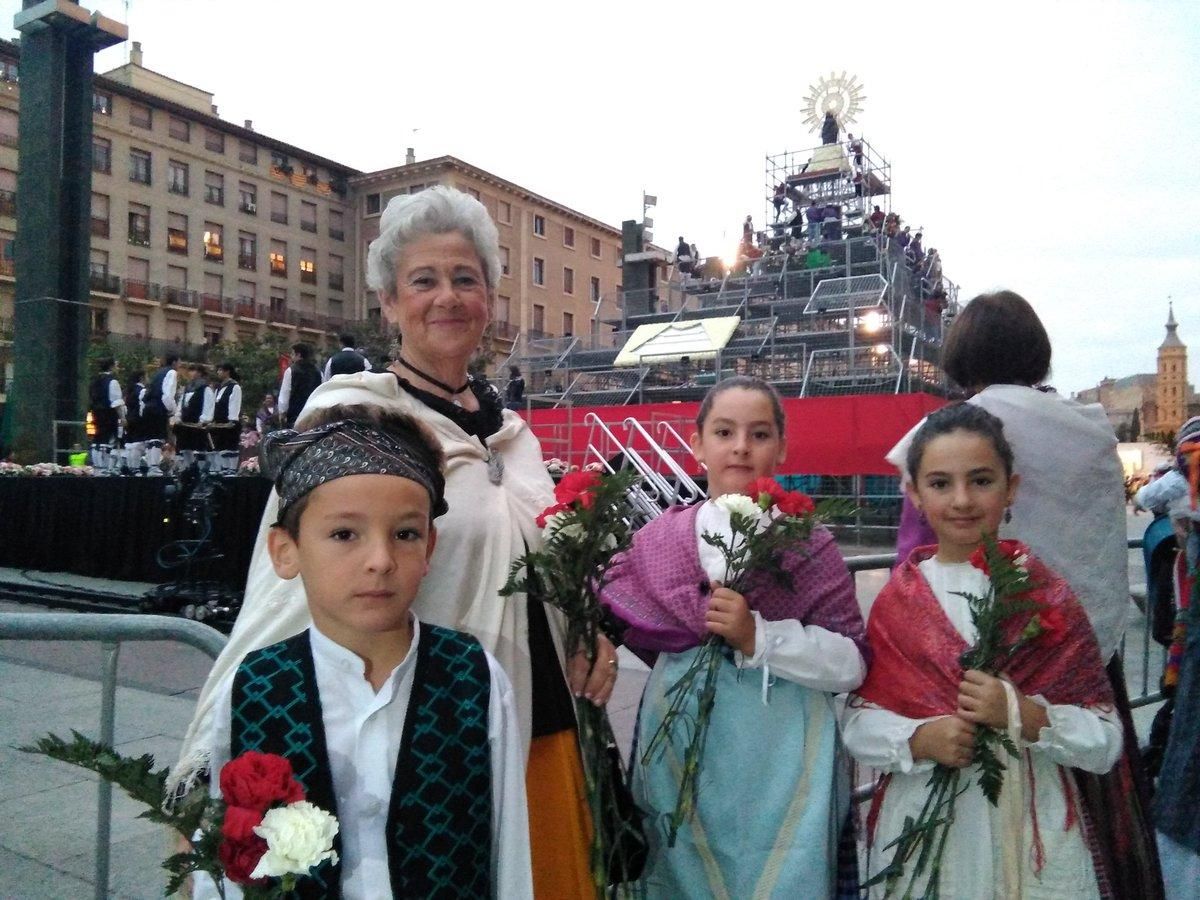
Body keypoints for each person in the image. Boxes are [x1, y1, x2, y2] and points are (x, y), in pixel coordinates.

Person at [174, 185, 616, 898]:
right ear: (387, 302)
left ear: (490, 298)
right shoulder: (354, 419)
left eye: (465, 279)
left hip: (538, 731)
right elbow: (284, 592)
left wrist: (584, 629)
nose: (448, 297)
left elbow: (536, 563)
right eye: (424, 281)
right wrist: (212, 763)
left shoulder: (517, 436)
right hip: (421, 748)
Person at [191, 405, 532, 898]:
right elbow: (221, 858)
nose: (380, 561)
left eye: (405, 534)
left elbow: (509, 849)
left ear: (429, 548)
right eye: (344, 534)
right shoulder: (254, 686)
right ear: (286, 551)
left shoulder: (473, 677)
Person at [845, 403, 1141, 898]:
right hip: (923, 826)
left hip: (1030, 825)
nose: (962, 499)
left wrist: (1028, 716)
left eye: (981, 480)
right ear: (915, 494)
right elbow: (858, 724)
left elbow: (1106, 740)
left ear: (1012, 489)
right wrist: (919, 739)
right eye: (940, 484)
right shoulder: (899, 604)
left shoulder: (1044, 594)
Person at [600, 377, 868, 897]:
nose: (741, 446)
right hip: (679, 748)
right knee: (681, 869)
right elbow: (617, 612)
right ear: (697, 444)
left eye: (759, 434)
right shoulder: (658, 540)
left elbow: (850, 664)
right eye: (725, 431)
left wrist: (758, 636)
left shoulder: (808, 543)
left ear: (783, 449)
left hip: (783, 752)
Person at [278, 342, 322, 428]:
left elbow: (285, 394)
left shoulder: (291, 371)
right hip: (312, 414)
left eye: (292, 354)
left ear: (298, 355)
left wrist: (282, 412)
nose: (291, 356)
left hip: (295, 415)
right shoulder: (318, 372)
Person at [140, 353, 179, 443]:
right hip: (158, 409)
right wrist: (173, 409)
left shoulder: (158, 372)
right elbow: (167, 395)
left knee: (150, 441)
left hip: (148, 408)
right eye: (179, 362)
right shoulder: (171, 372)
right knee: (157, 441)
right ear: (174, 362)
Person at [175, 363, 214, 452]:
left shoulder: (205, 389)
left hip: (198, 426)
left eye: (194, 371)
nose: (191, 373)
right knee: (185, 449)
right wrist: (178, 416)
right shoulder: (187, 388)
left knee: (199, 449)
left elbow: (208, 406)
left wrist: (203, 420)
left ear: (200, 373)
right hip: (185, 424)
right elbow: (181, 404)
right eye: (191, 371)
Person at [88, 357, 124, 447]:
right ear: (111, 367)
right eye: (116, 366)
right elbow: (116, 403)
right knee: (109, 441)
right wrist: (122, 417)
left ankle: (97, 458)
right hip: (109, 415)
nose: (117, 368)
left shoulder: (94, 381)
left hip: (96, 413)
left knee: (97, 440)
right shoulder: (112, 381)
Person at [209, 363, 242, 452]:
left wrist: (232, 421)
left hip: (228, 425)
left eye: (220, 370)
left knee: (228, 452)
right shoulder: (218, 388)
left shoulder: (235, 387)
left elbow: (234, 405)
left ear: (227, 372)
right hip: (218, 425)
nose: (218, 372)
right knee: (217, 451)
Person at [122, 369, 145, 446]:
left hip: (129, 419)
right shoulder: (142, 391)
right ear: (142, 378)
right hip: (139, 421)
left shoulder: (128, 391)